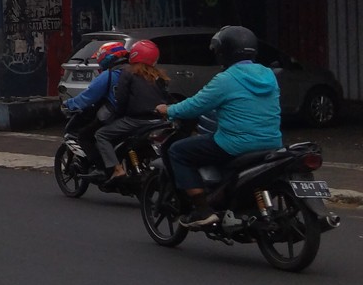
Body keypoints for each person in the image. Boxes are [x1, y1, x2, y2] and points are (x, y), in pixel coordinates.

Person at [156, 25, 281, 229]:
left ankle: (203, 211)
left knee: (177, 151)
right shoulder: (268, 75)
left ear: (224, 52)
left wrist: (168, 110)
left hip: (234, 144)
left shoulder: (226, 79)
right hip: (271, 142)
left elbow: (195, 106)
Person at [95, 39, 169, 190]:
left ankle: (117, 169)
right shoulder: (160, 77)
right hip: (158, 121)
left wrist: (118, 115)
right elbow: (166, 98)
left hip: (135, 120)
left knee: (101, 135)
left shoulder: (128, 73)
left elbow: (121, 99)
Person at [62, 41, 129, 178]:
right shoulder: (135, 72)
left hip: (115, 116)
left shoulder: (109, 75)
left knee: (85, 136)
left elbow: (88, 97)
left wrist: (69, 104)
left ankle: (101, 168)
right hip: (134, 115)